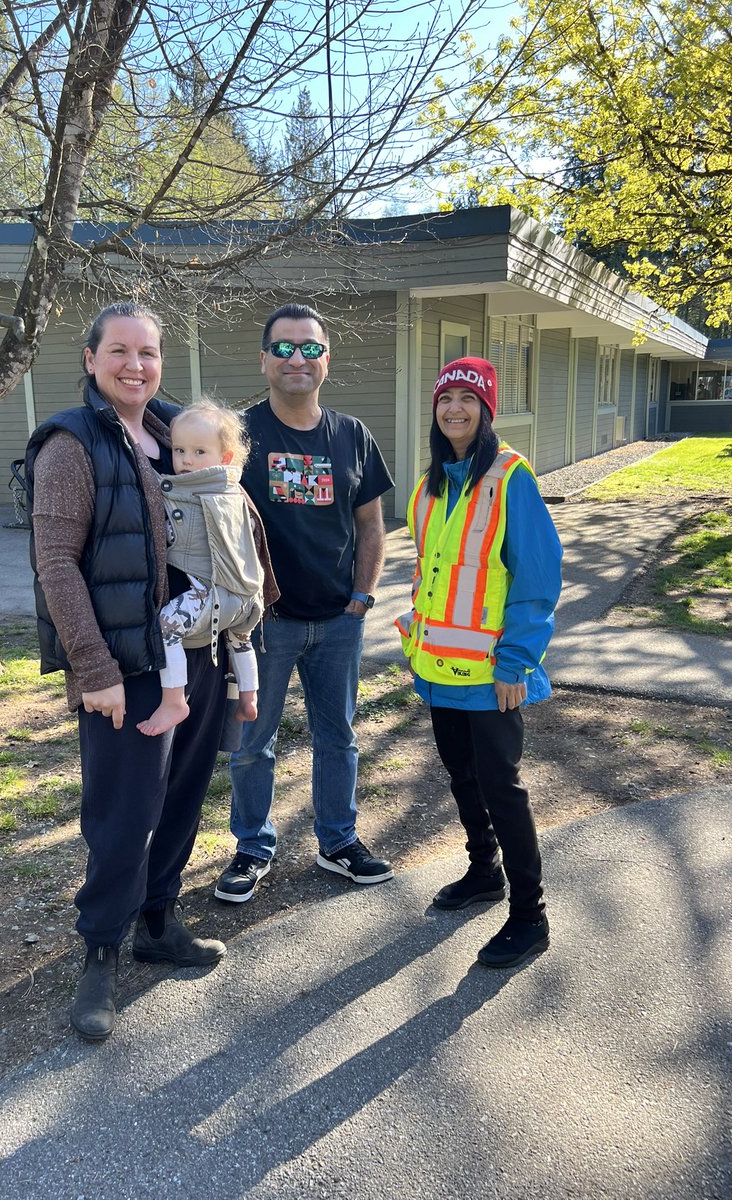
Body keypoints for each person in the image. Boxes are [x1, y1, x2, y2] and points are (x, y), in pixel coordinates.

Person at [25, 302, 236, 1041]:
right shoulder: (71, 444)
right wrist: (95, 666)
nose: (135, 366)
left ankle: (159, 922)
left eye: (147, 353)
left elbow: (236, 524)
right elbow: (55, 564)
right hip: (125, 667)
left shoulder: (183, 434)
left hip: (199, 652)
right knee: (125, 811)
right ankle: (100, 953)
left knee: (181, 795)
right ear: (90, 359)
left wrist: (246, 629)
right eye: (119, 351)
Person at [215, 301, 395, 904]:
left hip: (338, 621)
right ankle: (251, 848)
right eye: (285, 347)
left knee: (338, 737)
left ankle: (338, 842)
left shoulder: (351, 435)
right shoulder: (236, 436)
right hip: (262, 626)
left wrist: (363, 595)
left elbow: (372, 525)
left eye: (311, 348)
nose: (298, 358)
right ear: (264, 358)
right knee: (251, 742)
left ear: (326, 360)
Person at [396, 356, 563, 968]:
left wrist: (516, 662)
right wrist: (417, 647)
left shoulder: (509, 476)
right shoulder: (431, 483)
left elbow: (538, 576)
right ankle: (483, 871)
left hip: (494, 672)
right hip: (440, 668)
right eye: (445, 400)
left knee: (502, 788)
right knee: (462, 777)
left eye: (468, 399)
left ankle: (530, 916)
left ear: (486, 409)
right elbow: (430, 577)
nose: (454, 409)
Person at [138, 399, 273, 737]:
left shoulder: (190, 493)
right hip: (245, 594)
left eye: (199, 452)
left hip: (208, 593)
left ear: (224, 457)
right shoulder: (233, 489)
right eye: (180, 449)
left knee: (168, 624)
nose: (185, 460)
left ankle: (173, 699)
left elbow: (169, 531)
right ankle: (249, 696)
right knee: (240, 638)